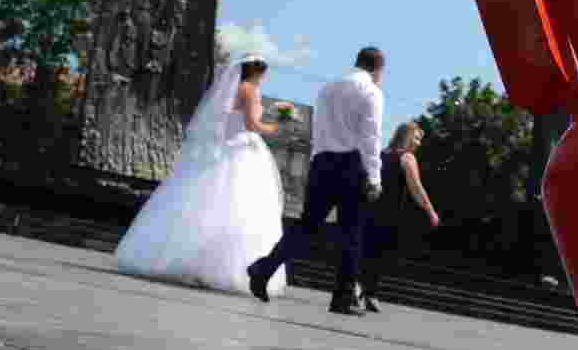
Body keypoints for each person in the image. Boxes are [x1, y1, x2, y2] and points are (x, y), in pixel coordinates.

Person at [115, 53, 287, 296]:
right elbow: (251, 124)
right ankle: (226, 268)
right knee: (240, 208)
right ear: (259, 71)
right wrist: (276, 126)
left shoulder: (234, 88)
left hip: (224, 148)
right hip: (241, 149)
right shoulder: (250, 89)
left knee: (200, 203)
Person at [247, 47, 385, 315]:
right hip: (352, 164)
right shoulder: (371, 92)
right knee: (351, 233)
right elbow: (371, 138)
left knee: (306, 225)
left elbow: (319, 129)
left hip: (322, 162)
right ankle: (343, 297)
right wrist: (375, 177)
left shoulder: (328, 88)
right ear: (378, 69)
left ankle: (264, 269)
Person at [360, 121, 440, 313]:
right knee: (379, 253)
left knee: (368, 252)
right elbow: (416, 188)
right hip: (389, 212)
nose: (419, 143)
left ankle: (366, 292)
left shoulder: (381, 154)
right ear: (407, 136)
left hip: (369, 208)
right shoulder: (407, 158)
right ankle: (368, 293)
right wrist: (430, 210)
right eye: (417, 138)